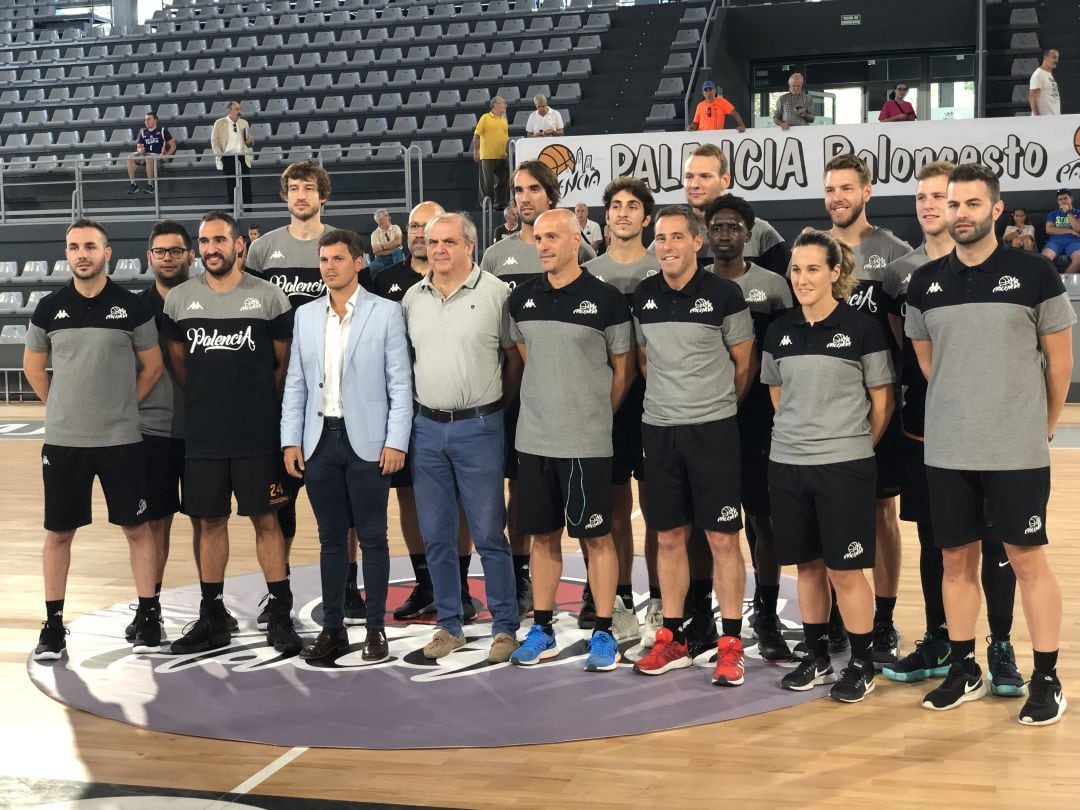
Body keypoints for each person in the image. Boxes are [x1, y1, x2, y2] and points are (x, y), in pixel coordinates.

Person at [906, 163, 1073, 726]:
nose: (961, 215)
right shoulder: (925, 283)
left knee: (1027, 561)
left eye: (973, 205)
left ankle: (1047, 676)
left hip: (1015, 452)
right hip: (948, 450)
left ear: (996, 210)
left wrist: (1039, 427)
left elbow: (1060, 364)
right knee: (955, 559)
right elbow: (931, 365)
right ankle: (964, 666)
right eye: (954, 205)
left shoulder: (1035, 275)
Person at [881, 161, 1022, 697]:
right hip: (923, 432)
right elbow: (908, 349)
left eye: (941, 196)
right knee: (938, 543)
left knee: (997, 543)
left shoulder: (1001, 270)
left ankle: (1001, 645)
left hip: (991, 435)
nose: (931, 206)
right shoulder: (906, 274)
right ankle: (943, 639)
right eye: (921, 197)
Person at [764, 230, 895, 703]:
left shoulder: (862, 328)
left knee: (846, 570)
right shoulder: (778, 330)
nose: (802, 278)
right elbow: (778, 395)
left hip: (845, 467)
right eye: (796, 270)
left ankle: (861, 663)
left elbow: (881, 400)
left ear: (835, 273)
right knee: (808, 567)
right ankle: (817, 655)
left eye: (813, 269)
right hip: (789, 464)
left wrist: (853, 442)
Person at [163, 211, 301, 656]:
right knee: (209, 522)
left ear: (239, 245)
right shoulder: (179, 301)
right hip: (204, 435)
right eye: (204, 242)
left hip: (258, 434)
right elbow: (180, 364)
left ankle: (279, 611)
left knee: (267, 521)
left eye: (219, 240)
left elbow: (281, 366)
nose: (211, 250)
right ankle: (212, 614)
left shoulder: (269, 297)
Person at [25, 219, 164, 660]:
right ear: (66, 254)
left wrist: (121, 406)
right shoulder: (48, 307)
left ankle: (148, 615)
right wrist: (62, 407)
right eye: (73, 247)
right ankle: (53, 625)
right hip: (65, 442)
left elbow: (153, 367)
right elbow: (33, 368)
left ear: (107, 253)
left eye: (90, 246)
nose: (81, 254)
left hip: (121, 439)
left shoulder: (131, 307)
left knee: (137, 528)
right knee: (59, 534)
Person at [629, 206, 755, 685]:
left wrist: (712, 405)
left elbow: (744, 363)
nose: (667, 246)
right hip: (660, 431)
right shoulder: (644, 295)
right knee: (668, 537)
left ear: (696, 242)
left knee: (723, 539)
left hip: (714, 431)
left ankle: (730, 643)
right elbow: (645, 361)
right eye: (660, 238)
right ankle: (673, 637)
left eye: (676, 237)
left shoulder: (725, 295)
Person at [507, 208, 635, 672]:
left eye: (552, 236)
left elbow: (624, 370)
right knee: (542, 537)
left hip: (587, 443)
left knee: (597, 539)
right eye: (538, 237)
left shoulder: (607, 300)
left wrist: (594, 413)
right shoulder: (521, 300)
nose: (542, 245)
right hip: (535, 440)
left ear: (577, 239)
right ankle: (541, 627)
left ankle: (603, 629)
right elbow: (525, 359)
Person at [282, 229, 412, 663]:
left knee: (374, 538)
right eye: (324, 259)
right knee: (331, 540)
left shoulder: (387, 313)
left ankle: (376, 630)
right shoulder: (305, 316)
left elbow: (400, 383)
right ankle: (333, 630)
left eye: (337, 258)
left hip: (370, 443)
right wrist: (290, 439)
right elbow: (296, 383)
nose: (329, 266)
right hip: (319, 442)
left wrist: (396, 441)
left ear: (358, 263)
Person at [401, 212, 523, 663]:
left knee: (490, 533)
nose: (439, 250)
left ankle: (505, 626)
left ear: (469, 246)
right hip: (426, 428)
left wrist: (491, 410)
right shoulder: (413, 298)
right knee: (436, 535)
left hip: (480, 427)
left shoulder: (496, 294)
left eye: (449, 242)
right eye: (433, 243)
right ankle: (449, 624)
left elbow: (514, 361)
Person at [480, 160, 597, 619]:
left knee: (586, 498)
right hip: (516, 397)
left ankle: (597, 589)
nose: (523, 198)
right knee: (520, 494)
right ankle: (520, 577)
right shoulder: (495, 257)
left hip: (572, 397)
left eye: (533, 189)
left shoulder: (579, 251)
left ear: (551, 195)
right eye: (517, 190)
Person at [244, 161, 356, 626]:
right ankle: (280, 594)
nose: (300, 195)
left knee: (344, 507)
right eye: (293, 188)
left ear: (322, 195)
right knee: (278, 502)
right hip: (279, 392)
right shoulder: (263, 249)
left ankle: (349, 588)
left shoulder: (340, 246)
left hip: (333, 392)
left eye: (308, 188)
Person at [359, 201, 481, 624]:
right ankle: (425, 582)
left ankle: (460, 585)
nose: (418, 234)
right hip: (403, 414)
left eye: (428, 228)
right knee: (409, 500)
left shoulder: (466, 281)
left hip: (450, 412)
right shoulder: (385, 281)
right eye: (413, 227)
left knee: (460, 500)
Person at [822, 153, 911, 668]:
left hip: (878, 409)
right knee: (830, 512)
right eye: (831, 189)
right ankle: (836, 611)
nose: (838, 197)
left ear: (867, 192)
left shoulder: (894, 256)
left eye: (847, 188)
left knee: (881, 514)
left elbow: (902, 340)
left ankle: (883, 615)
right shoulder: (813, 250)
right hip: (826, 412)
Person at [705, 194, 794, 662]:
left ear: (748, 233)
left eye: (732, 228)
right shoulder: (695, 284)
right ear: (707, 233)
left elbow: (782, 357)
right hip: (706, 417)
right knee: (711, 523)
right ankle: (706, 614)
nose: (724, 235)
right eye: (716, 227)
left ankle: (765, 609)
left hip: (760, 418)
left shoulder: (775, 286)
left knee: (763, 519)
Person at [584, 178, 662, 645]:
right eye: (616, 206)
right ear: (606, 216)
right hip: (606, 405)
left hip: (655, 404)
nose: (624, 213)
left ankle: (659, 601)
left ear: (646, 217)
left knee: (658, 511)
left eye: (633, 206)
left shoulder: (665, 265)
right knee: (613, 510)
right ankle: (620, 602)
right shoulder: (588, 272)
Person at [127, 220, 209, 644]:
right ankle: (149, 611)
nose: (168, 258)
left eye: (176, 251)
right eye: (160, 251)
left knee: (205, 523)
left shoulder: (207, 301)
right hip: (151, 432)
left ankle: (209, 610)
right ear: (149, 257)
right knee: (154, 525)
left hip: (201, 433)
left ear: (189, 255)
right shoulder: (134, 308)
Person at [211, 100, 254, 206]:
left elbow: (249, 141)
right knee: (231, 185)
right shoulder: (220, 123)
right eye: (236, 109)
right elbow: (214, 141)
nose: (239, 111)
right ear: (229, 110)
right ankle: (232, 210)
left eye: (239, 109)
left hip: (242, 157)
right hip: (228, 157)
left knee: (246, 185)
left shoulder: (244, 123)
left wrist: (249, 141)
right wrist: (219, 155)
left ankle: (249, 209)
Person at [472, 96, 509, 208]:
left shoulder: (504, 120)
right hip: (488, 156)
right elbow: (476, 136)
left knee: (503, 181)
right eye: (503, 103)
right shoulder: (485, 118)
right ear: (495, 105)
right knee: (487, 184)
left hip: (502, 155)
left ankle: (500, 203)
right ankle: (486, 206)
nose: (505, 105)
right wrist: (476, 151)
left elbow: (506, 137)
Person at [127, 111, 176, 195]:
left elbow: (173, 146)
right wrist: (140, 150)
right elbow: (139, 147)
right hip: (145, 155)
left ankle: (150, 186)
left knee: (148, 158)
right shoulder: (143, 132)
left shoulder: (162, 130)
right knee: (130, 157)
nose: (147, 121)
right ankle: (133, 185)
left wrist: (166, 156)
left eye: (149, 119)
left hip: (157, 156)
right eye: (145, 120)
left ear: (155, 120)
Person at [1042, 188, 1080, 273]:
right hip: (1055, 241)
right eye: (1060, 199)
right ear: (1058, 201)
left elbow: (1078, 229)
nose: (1063, 201)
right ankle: (1055, 282)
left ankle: (1064, 283)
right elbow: (1049, 229)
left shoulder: (1078, 212)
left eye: (1066, 198)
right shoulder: (1053, 214)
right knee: (1043, 260)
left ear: (1071, 199)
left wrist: (1068, 212)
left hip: (1074, 241)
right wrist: (1070, 231)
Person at [368, 208, 405, 279]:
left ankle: (400, 279)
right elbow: (376, 251)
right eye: (387, 215)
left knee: (397, 251)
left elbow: (398, 242)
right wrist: (392, 248)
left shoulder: (396, 228)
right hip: (381, 259)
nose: (390, 217)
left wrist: (382, 247)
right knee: (369, 270)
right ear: (381, 219)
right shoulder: (374, 234)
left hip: (396, 256)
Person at [1029, 49, 1060, 117]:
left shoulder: (1048, 74)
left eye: (1058, 58)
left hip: (1054, 118)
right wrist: (1039, 118)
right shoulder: (1039, 74)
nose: (1056, 61)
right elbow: (1033, 97)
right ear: (1045, 58)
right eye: (1054, 57)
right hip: (1044, 120)